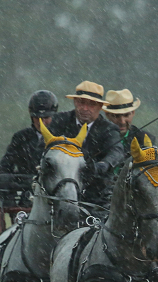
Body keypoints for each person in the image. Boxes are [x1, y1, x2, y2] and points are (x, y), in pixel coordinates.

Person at [51, 80, 124, 215]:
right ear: (75, 103)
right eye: (81, 102)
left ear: (101, 107)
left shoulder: (108, 129)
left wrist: (103, 165)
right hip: (60, 190)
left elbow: (117, 151)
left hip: (97, 195)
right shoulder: (59, 121)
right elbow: (44, 148)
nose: (85, 108)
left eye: (91, 104)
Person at [0, 90, 58, 221]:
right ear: (31, 117)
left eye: (46, 118)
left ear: (54, 116)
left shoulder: (62, 138)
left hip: (56, 201)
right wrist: (20, 182)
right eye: (37, 118)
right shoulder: (21, 138)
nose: (42, 123)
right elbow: (3, 169)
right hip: (27, 202)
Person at [102, 89, 156, 153]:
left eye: (126, 115)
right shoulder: (97, 138)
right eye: (116, 116)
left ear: (133, 113)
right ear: (107, 115)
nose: (122, 121)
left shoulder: (145, 139)